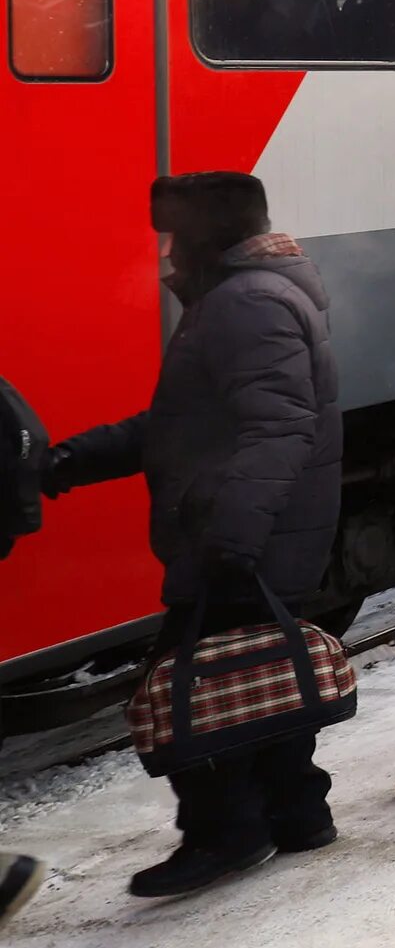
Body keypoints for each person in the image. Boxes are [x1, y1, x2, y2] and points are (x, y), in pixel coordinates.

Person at [39, 173, 342, 899]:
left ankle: (227, 834)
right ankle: (298, 814)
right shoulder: (241, 298)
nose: (160, 253)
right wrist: (74, 460)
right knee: (259, 667)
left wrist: (232, 543)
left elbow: (278, 427)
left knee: (185, 688)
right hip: (260, 524)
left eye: (169, 236)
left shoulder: (245, 304)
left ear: (204, 235)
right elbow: (181, 426)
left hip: (244, 530)